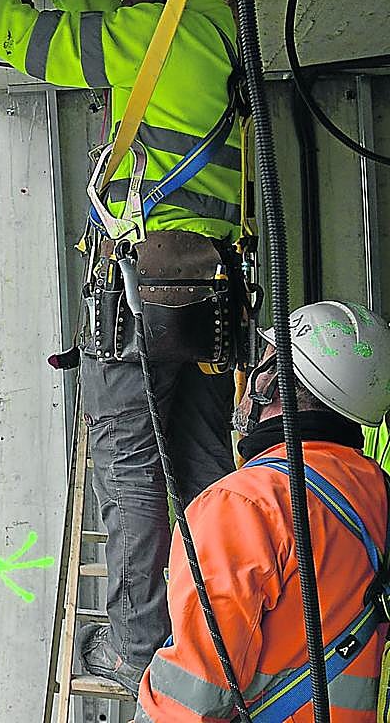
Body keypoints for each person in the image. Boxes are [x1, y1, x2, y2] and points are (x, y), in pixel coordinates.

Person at [0, 0, 248, 693]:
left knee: (130, 465)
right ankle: (213, 628)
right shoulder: (209, 36)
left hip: (144, 293)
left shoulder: (160, 32)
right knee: (204, 460)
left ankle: (140, 647)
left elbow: (36, 46)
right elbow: (107, 17)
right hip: (212, 294)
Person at [137, 301, 390, 721]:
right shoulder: (375, 490)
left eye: (263, 363)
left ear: (272, 384)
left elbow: (191, 697)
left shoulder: (243, 505)